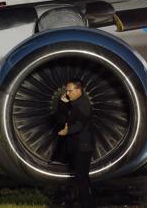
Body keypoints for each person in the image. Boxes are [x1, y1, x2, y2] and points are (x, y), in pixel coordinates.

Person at [58, 79, 95, 208]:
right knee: (80, 177)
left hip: (83, 147)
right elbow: (64, 116)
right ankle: (84, 203)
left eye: (70, 90)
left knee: (82, 178)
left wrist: (68, 131)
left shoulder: (83, 104)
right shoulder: (75, 103)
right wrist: (63, 103)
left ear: (79, 90)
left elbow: (80, 124)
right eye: (67, 90)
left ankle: (87, 204)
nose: (68, 93)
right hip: (78, 146)